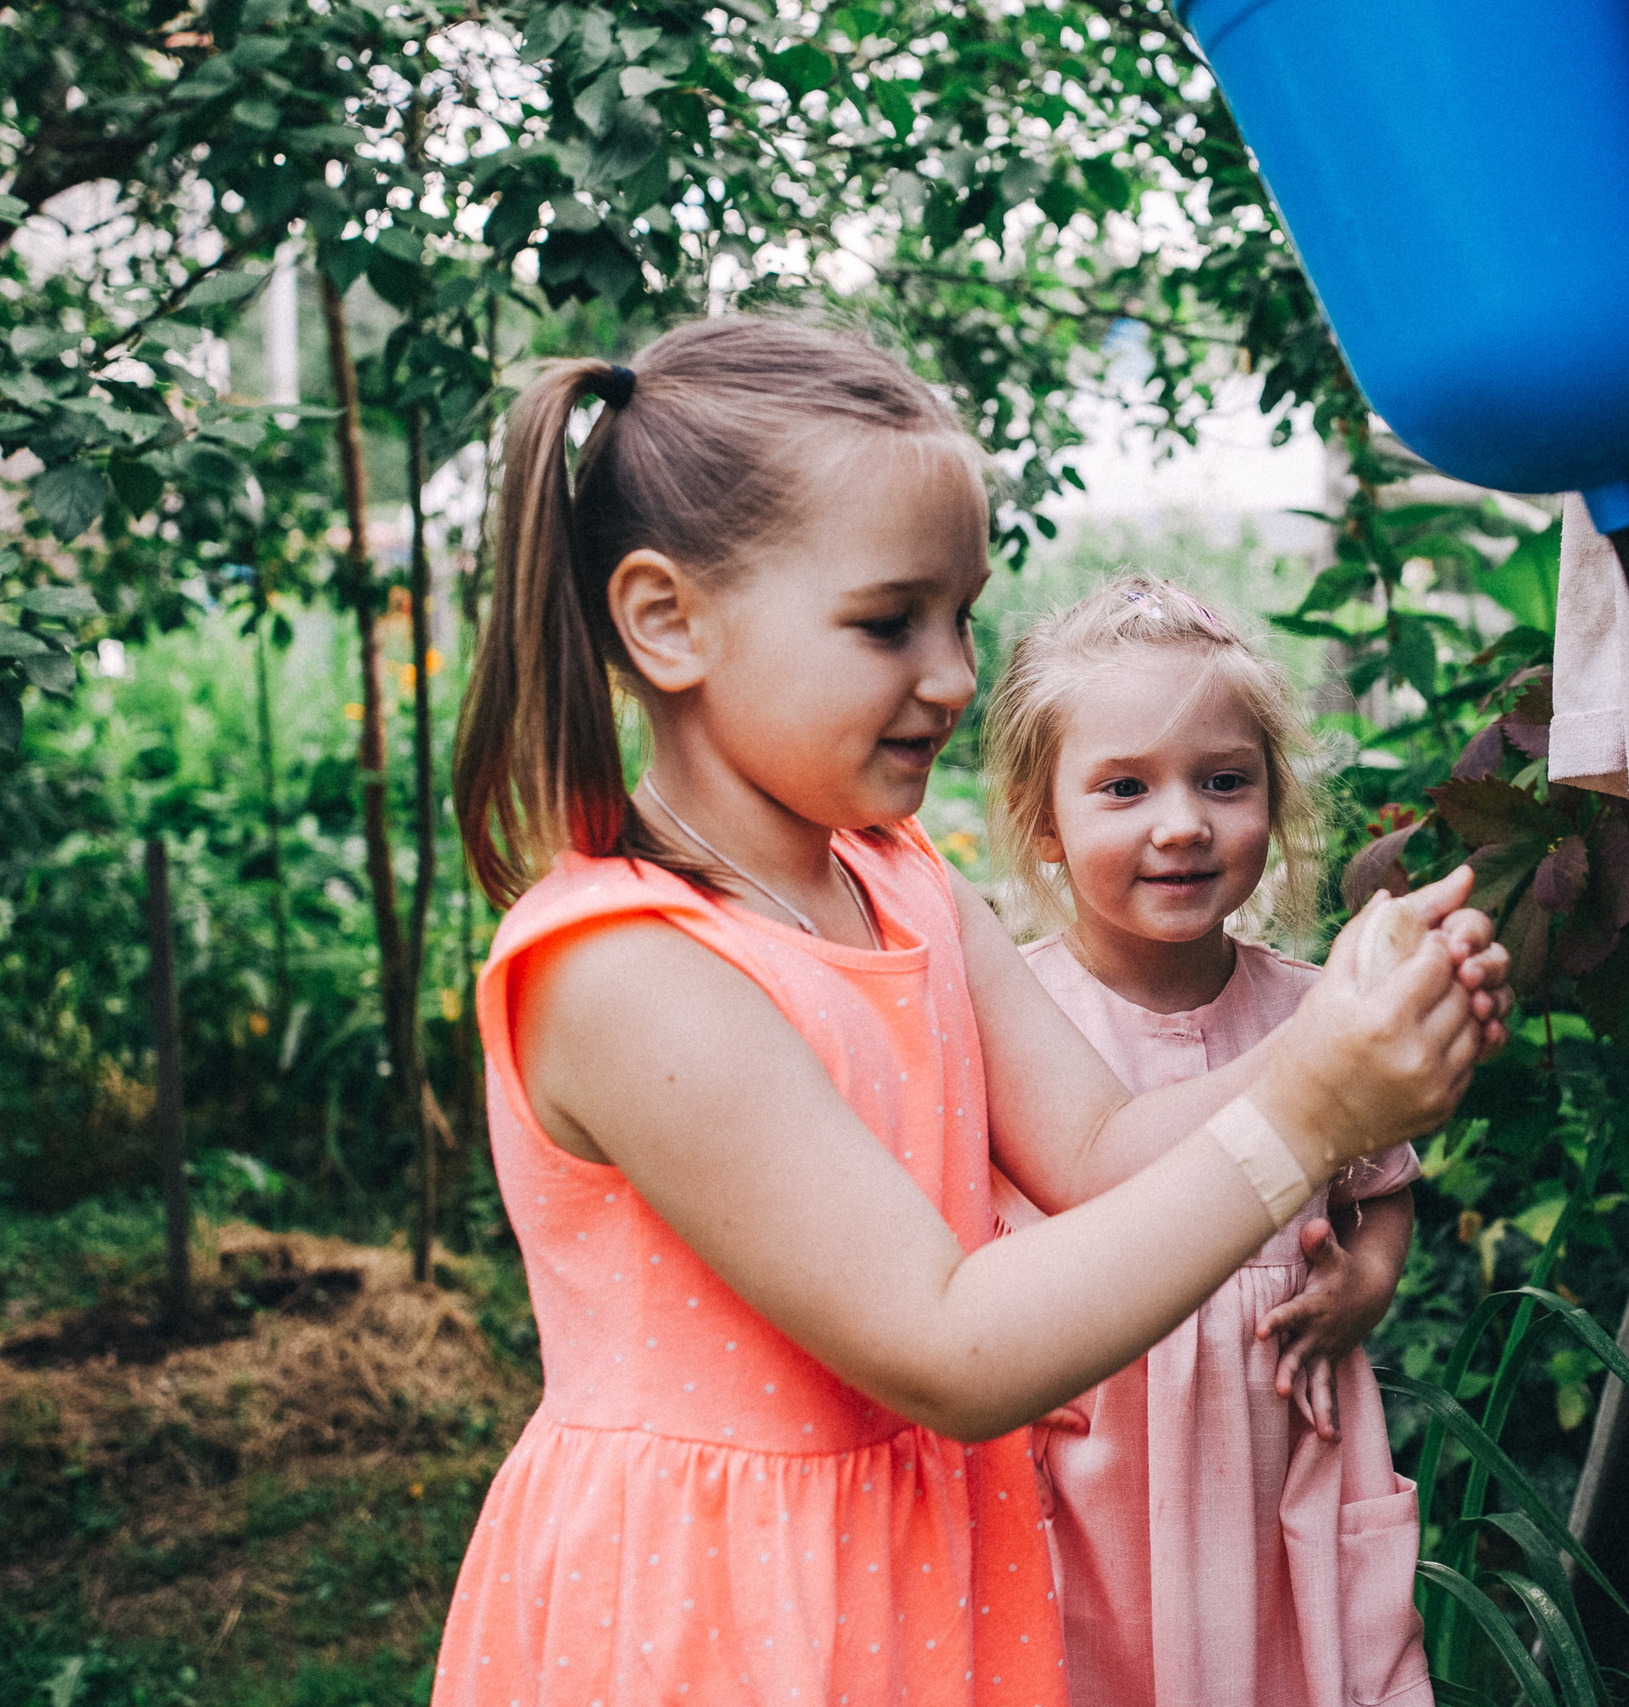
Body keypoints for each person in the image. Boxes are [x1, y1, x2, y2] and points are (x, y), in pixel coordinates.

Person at [432, 318, 1509, 1707]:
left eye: (961, 615)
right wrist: (1310, 1114)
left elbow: (1103, 1150)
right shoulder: (630, 969)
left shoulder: (897, 880)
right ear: (666, 620)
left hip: (918, 1567)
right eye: (890, 621)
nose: (951, 675)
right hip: (719, 1605)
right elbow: (948, 1346)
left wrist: (1335, 1031)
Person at [980, 579, 1434, 1707]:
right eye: (1124, 787)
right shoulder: (1015, 1021)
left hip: (1278, 1456)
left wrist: (1366, 1283)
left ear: (1274, 799)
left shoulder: (1318, 1010)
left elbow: (1381, 1186)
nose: (1181, 823)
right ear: (1044, 821)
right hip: (1090, 1466)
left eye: (1224, 781)